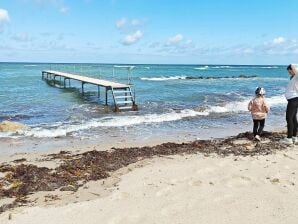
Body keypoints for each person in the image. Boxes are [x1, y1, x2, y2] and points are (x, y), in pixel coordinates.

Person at [281, 64, 298, 144]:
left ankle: (289, 138)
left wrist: (291, 65)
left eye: (289, 71)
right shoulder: (294, 77)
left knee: (289, 118)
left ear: (292, 69)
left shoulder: (296, 76)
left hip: (293, 100)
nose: (289, 73)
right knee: (293, 118)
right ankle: (294, 137)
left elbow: (293, 65)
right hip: (294, 100)